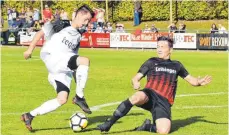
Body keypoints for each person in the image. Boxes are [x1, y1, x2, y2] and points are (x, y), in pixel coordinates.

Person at [97, 36, 212, 134]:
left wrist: (199, 82)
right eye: (158, 46)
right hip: (150, 95)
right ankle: (109, 123)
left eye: (162, 47)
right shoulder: (151, 61)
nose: (159, 49)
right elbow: (136, 77)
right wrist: (136, 82)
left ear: (170, 49)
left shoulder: (177, 65)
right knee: (136, 97)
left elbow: (192, 80)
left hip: (164, 102)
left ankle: (147, 126)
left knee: (164, 131)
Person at [21, 5, 95, 131]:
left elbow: (75, 61)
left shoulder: (78, 35)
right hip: (52, 56)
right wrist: (29, 49)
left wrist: (78, 80)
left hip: (60, 67)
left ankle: (29, 115)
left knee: (62, 99)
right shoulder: (62, 24)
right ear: (78, 15)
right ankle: (79, 97)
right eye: (85, 19)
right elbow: (40, 33)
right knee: (85, 60)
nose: (86, 23)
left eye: (88, 21)